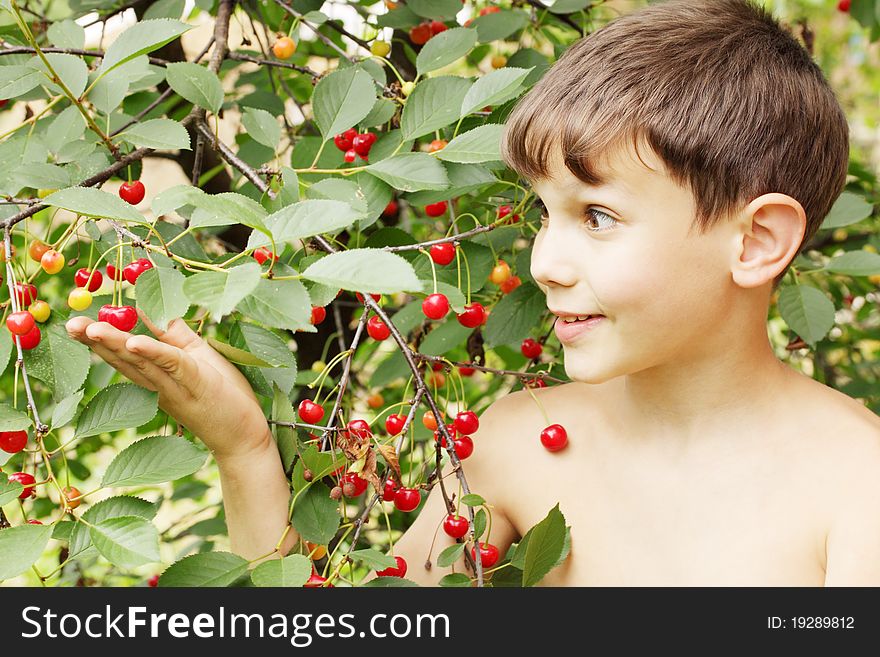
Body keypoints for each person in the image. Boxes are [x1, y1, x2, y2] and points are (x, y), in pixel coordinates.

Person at [66, 0, 880, 586]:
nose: (544, 264)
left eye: (597, 215)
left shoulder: (857, 483)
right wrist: (244, 450)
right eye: (543, 214)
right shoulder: (519, 440)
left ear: (757, 240)